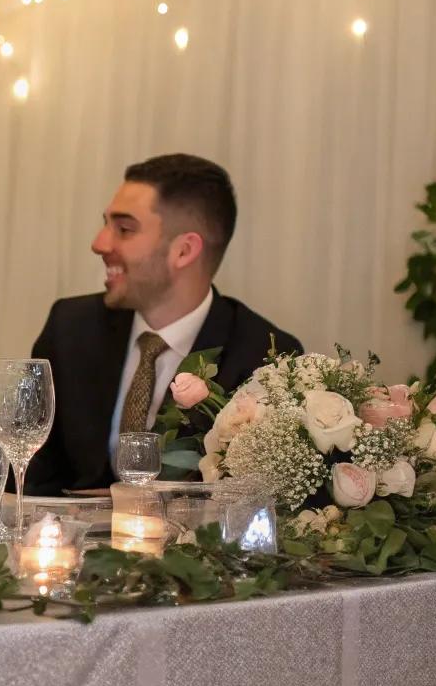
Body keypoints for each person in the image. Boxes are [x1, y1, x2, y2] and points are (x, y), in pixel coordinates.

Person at [25, 154, 302, 495]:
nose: (100, 243)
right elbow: (28, 474)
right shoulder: (70, 327)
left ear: (184, 251)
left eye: (124, 229)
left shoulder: (268, 357)